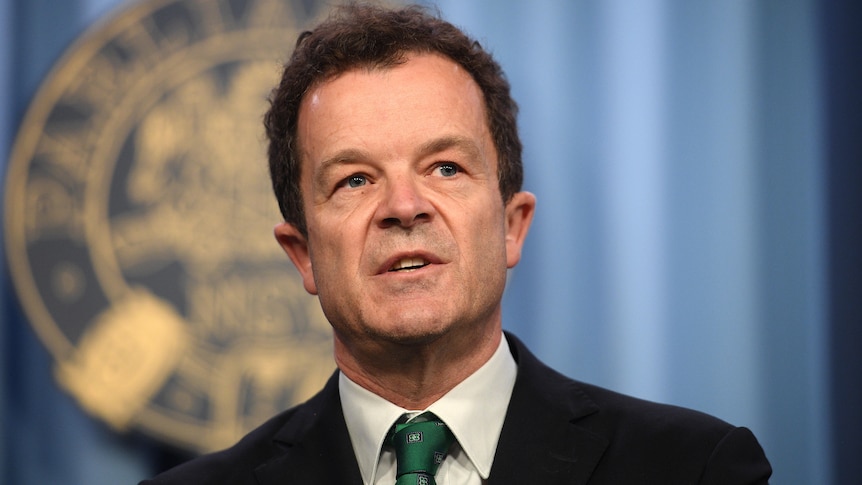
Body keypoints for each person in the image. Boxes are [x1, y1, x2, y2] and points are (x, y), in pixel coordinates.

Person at [141, 4, 772, 484]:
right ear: (302, 254)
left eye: (444, 167)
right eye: (355, 179)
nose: (404, 207)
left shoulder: (692, 469)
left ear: (510, 226)